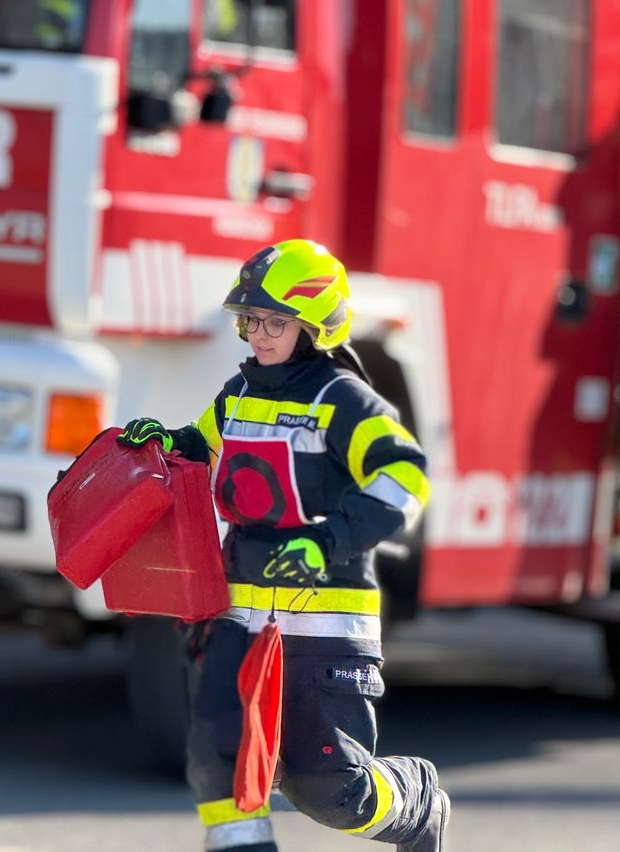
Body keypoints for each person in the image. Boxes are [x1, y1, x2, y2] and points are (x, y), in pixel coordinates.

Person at [117, 239, 449, 852]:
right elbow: (202, 446)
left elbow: (405, 477)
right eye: (251, 320)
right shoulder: (238, 394)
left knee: (325, 784)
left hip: (324, 624)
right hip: (238, 614)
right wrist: (162, 443)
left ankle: (418, 801)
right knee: (217, 760)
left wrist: (327, 543)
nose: (259, 335)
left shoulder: (343, 401)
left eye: (277, 321)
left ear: (316, 328)